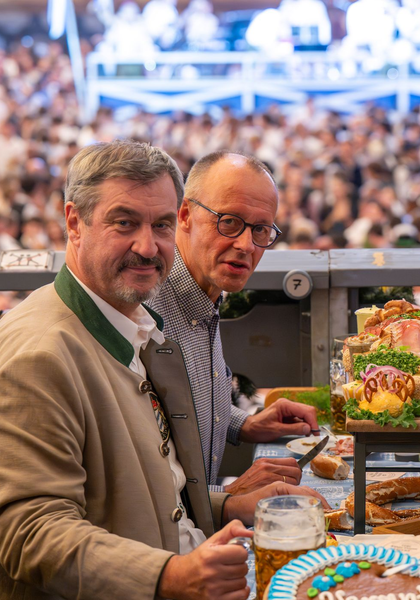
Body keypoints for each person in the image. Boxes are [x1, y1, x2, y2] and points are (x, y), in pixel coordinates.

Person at [0, 140, 327, 600]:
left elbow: (145, 493)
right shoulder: (36, 355)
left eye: (158, 224)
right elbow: (33, 534)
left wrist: (227, 505)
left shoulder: (132, 322)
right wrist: (173, 577)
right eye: (124, 223)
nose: (148, 245)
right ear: (74, 223)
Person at [148, 151, 315, 495]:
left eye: (261, 230)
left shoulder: (205, 292)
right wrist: (230, 497)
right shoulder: (147, 312)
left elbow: (177, 414)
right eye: (229, 222)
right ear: (184, 216)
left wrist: (246, 424)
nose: (245, 245)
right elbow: (141, 487)